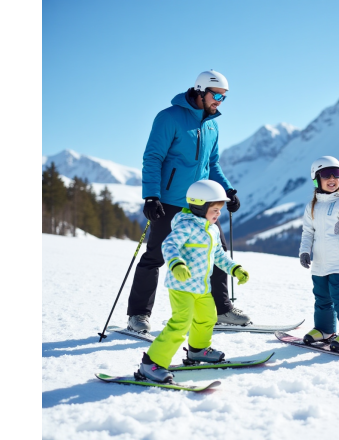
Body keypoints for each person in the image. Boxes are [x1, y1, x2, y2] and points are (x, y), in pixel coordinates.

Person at [128, 70, 247, 333]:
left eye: (224, 97)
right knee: (155, 256)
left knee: (217, 253)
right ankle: (138, 314)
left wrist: (227, 191)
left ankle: (222, 309)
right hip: (169, 201)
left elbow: (211, 164)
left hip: (202, 204)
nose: (219, 101)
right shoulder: (169, 117)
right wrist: (151, 195)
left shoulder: (213, 124)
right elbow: (153, 157)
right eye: (216, 95)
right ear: (200, 91)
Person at [137, 180, 252, 382]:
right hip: (182, 285)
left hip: (202, 286)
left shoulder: (212, 230)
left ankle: (198, 349)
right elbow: (169, 245)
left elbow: (218, 255)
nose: (218, 214)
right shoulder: (186, 226)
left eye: (219, 210)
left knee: (207, 317)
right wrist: (176, 264)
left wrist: (235, 268)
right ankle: (151, 362)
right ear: (199, 206)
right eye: (214, 210)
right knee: (180, 323)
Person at [298, 156, 339, 352]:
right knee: (321, 297)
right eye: (326, 175)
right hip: (319, 262)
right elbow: (308, 232)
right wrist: (304, 251)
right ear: (316, 179)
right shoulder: (313, 206)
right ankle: (325, 330)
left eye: (336, 174)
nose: (332, 178)